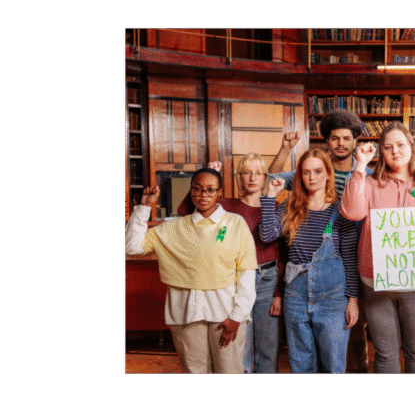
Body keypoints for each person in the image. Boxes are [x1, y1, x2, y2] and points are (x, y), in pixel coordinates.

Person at [340, 121, 415, 373]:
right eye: (388, 147)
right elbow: (351, 212)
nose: (395, 151)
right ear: (381, 152)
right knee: (385, 354)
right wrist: (360, 166)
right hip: (376, 282)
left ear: (412, 147)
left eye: (400, 145)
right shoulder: (369, 184)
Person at [269, 108, 372, 373]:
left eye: (346, 138)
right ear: (327, 141)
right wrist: (285, 149)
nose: (341, 143)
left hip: (352, 260)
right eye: (335, 138)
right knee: (305, 352)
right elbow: (271, 181)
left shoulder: (366, 173)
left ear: (355, 141)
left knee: (352, 336)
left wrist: (352, 296)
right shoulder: (313, 167)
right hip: (309, 264)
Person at [125, 168, 258, 373]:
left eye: (210, 190)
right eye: (198, 189)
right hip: (186, 312)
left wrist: (237, 316)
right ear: (191, 191)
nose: (204, 195)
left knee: (229, 370)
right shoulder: (174, 228)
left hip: (225, 312)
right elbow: (132, 247)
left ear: (219, 192)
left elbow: (246, 273)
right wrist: (144, 207)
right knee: (194, 372)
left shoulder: (235, 223)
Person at [177, 154, 283, 374]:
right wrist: (209, 175)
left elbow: (282, 251)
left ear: (265, 178)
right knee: (239, 346)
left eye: (258, 173)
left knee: (268, 346)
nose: (252, 178)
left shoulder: (274, 206)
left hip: (267, 281)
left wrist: (278, 293)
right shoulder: (225, 205)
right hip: (234, 282)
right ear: (238, 177)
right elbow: (184, 211)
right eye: (246, 172)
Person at [259, 149, 359, 373]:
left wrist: (353, 300)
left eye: (318, 171)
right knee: (301, 365)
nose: (312, 177)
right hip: (296, 296)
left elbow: (350, 259)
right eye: (306, 172)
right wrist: (269, 195)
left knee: (333, 366)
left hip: (333, 298)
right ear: (300, 176)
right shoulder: (290, 206)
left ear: (328, 174)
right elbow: (267, 234)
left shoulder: (341, 210)